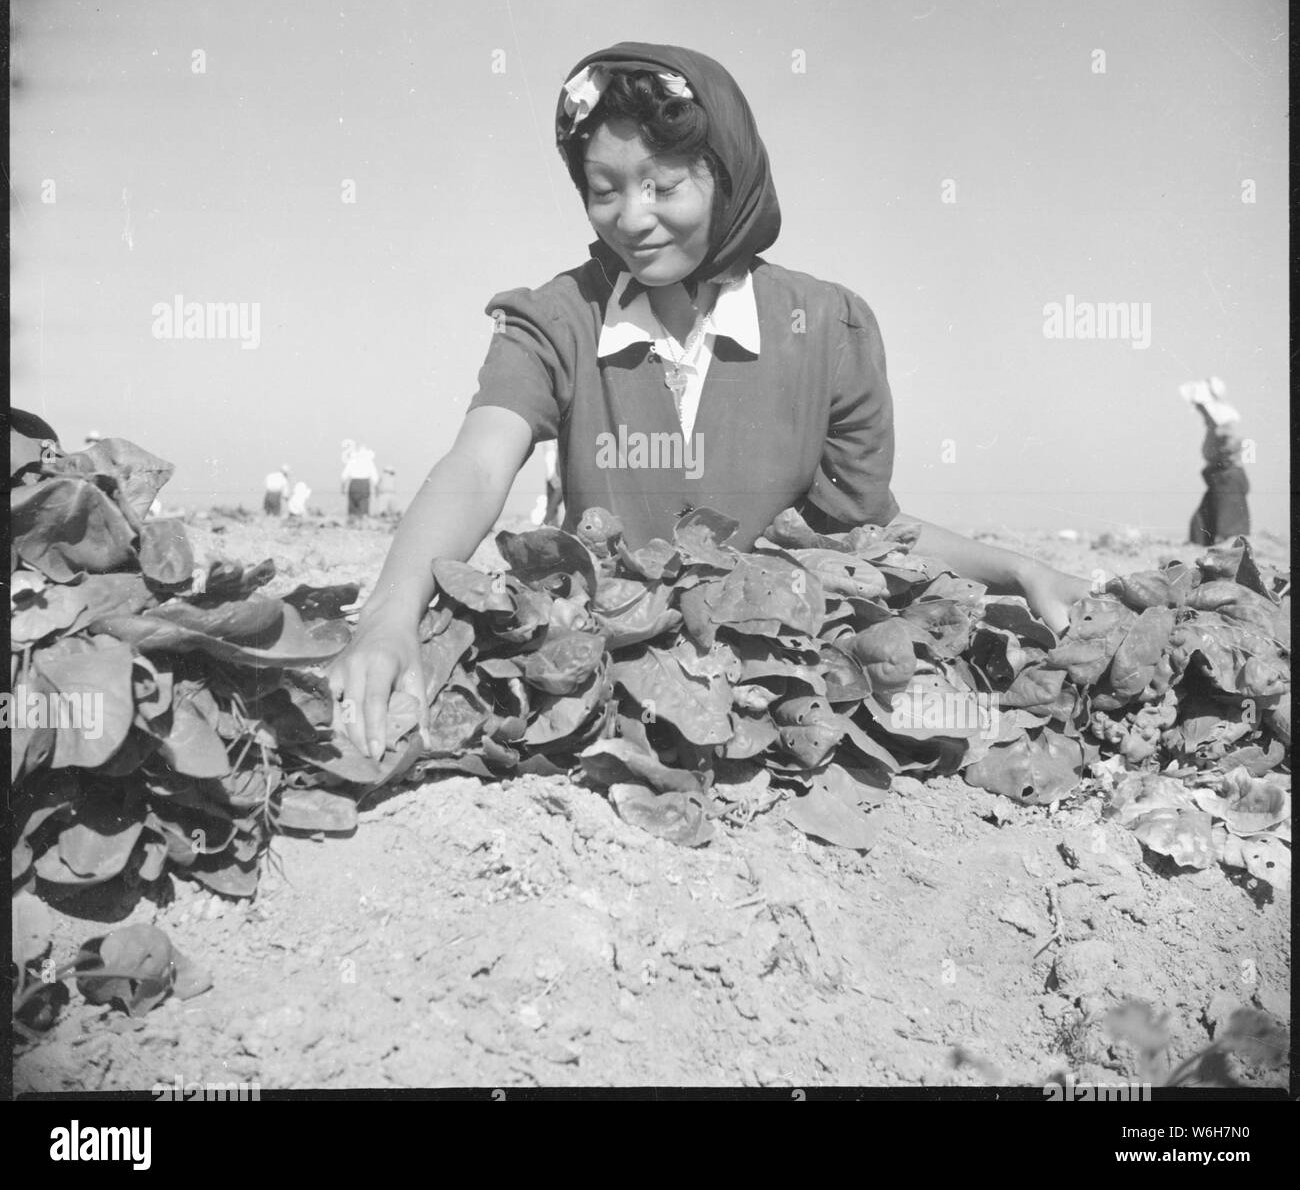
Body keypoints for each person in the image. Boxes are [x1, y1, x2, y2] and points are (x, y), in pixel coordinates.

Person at [331, 42, 1088, 758]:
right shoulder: (557, 319)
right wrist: (390, 617)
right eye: (605, 190)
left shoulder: (829, 328)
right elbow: (477, 464)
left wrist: (1021, 571)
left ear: (727, 173)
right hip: (597, 681)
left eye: (664, 184)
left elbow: (864, 533)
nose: (632, 216)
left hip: (769, 691)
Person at [1182, 378, 1249, 545]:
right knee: (1200, 526)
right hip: (1218, 479)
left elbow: (1234, 440)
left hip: (1227, 479)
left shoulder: (1223, 425)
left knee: (1228, 532)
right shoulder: (1214, 426)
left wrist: (1228, 446)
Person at [341, 443, 379, 522]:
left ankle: (352, 524)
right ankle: (363, 525)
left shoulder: (352, 461)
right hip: (364, 484)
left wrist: (342, 488)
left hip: (353, 484)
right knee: (364, 507)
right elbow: (375, 478)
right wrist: (376, 490)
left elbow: (344, 476)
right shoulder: (369, 462)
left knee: (352, 506)